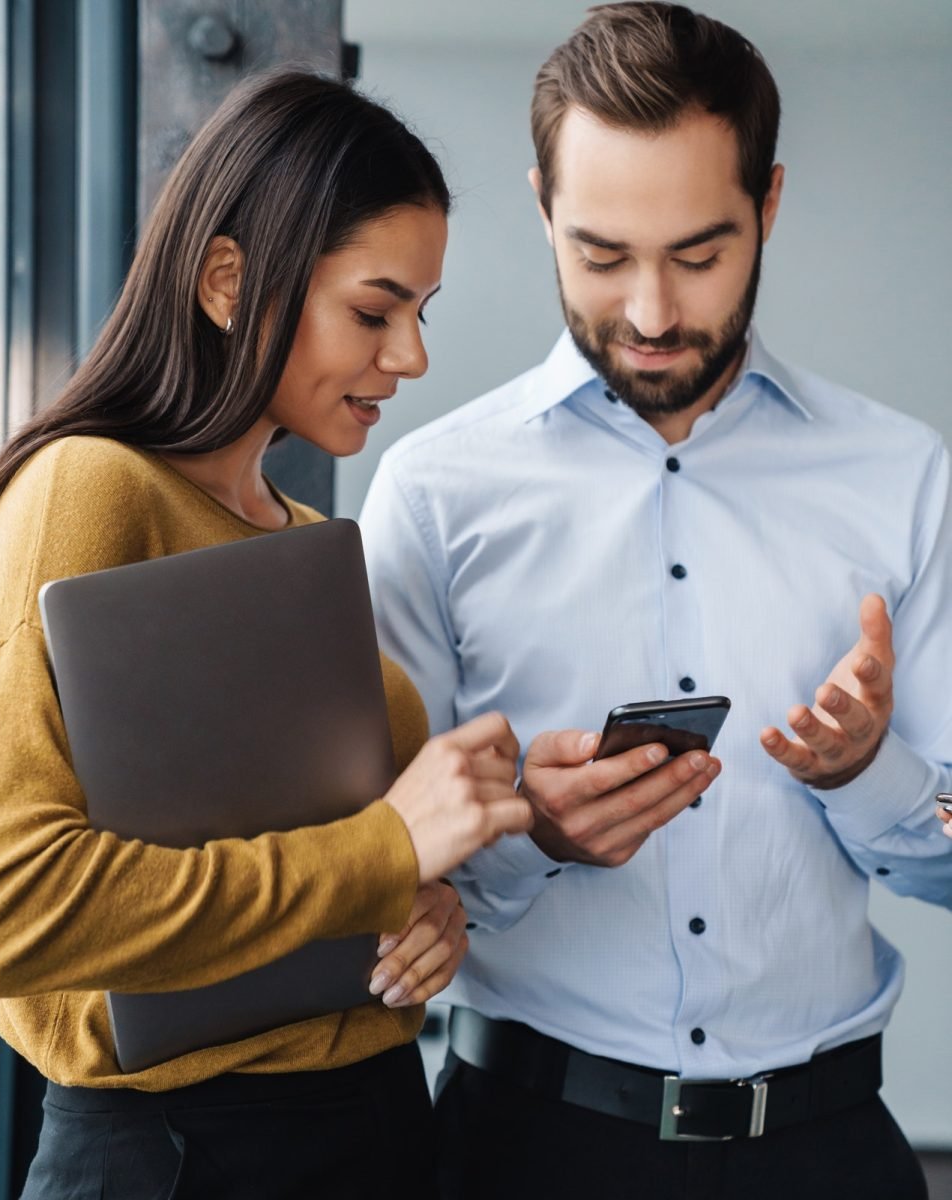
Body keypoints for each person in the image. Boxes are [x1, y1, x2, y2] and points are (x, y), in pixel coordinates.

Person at [358, 4, 952, 1197]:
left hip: (829, 1153)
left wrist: (866, 772)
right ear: (540, 210)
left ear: (767, 206)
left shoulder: (903, 477)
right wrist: (535, 837)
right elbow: (376, 885)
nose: (649, 314)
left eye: (697, 254)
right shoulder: (430, 496)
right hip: (518, 1148)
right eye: (600, 253)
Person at [0, 68, 533, 1199]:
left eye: (421, 314)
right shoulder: (86, 489)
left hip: (373, 1122)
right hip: (184, 1155)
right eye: (374, 311)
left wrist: (425, 915)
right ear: (229, 279)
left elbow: (332, 870)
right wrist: (379, 858)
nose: (410, 357)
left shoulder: (306, 539)